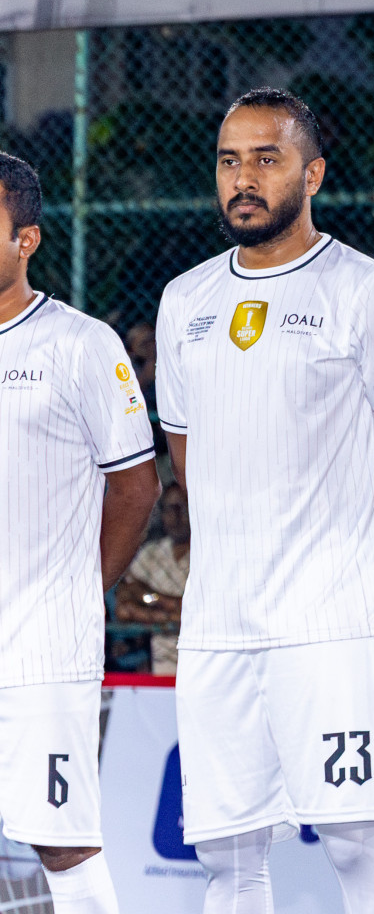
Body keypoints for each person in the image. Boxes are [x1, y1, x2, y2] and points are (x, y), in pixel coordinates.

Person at [155, 88, 374, 914]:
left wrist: (358, 558)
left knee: (353, 840)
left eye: (266, 159)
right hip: (219, 624)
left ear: (311, 174)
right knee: (226, 856)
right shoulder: (185, 301)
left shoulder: (365, 290)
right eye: (230, 160)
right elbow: (189, 454)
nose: (244, 178)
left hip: (331, 620)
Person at [0, 151, 160, 913]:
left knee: (61, 843)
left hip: (40, 647)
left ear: (25, 238)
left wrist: (76, 590)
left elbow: (136, 486)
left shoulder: (78, 343)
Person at [116, 481, 192, 675]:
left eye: (183, 507)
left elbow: (211, 610)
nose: (176, 516)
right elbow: (125, 600)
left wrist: (153, 602)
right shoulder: (151, 553)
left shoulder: (207, 552)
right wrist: (167, 604)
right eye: (170, 508)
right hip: (158, 662)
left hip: (200, 657)